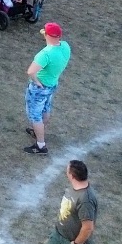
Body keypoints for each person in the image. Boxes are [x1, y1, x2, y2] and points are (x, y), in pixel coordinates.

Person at [24, 22, 71, 155]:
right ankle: (39, 131)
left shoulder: (45, 54)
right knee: (46, 108)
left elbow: (30, 71)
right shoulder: (66, 46)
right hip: (52, 84)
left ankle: (40, 145)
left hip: (40, 88)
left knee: (35, 115)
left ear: (47, 35)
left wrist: (37, 83)